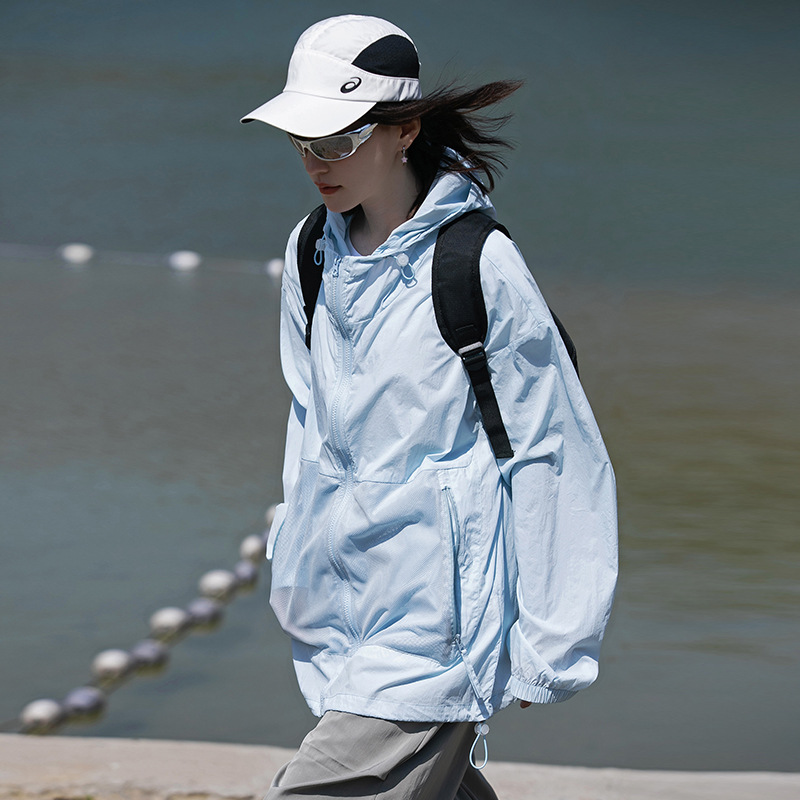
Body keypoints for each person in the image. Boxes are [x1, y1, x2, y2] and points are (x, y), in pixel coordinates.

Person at [241, 15, 617, 800]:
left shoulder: (478, 263)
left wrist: (552, 639)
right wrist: (295, 567)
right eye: (303, 140)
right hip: (346, 606)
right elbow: (309, 421)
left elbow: (552, 447)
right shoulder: (311, 251)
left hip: (439, 618)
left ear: (404, 130)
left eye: (337, 139)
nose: (316, 162)